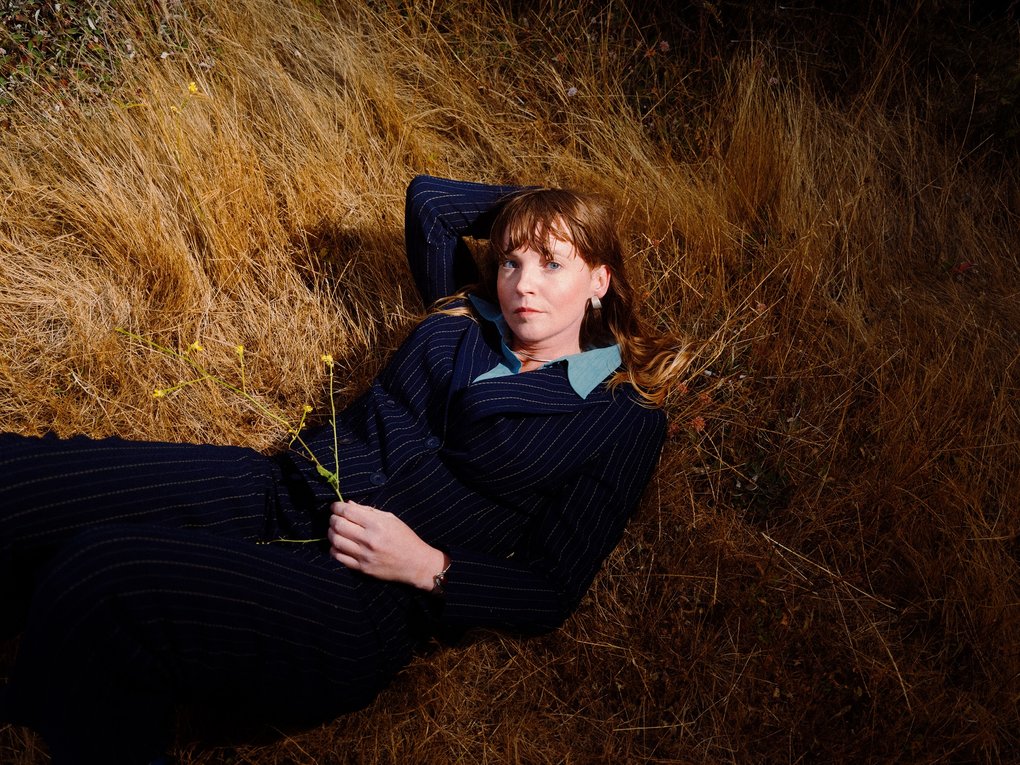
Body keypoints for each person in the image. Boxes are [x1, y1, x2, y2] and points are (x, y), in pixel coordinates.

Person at [0, 175, 684, 764]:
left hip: (356, 596)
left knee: (103, 579)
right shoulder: (469, 312)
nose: (523, 283)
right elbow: (431, 204)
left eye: (552, 263)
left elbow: (550, 586)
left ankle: (57, 689)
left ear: (600, 279)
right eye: (510, 260)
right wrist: (547, 209)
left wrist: (429, 565)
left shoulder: (622, 415)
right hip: (277, 490)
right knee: (23, 477)